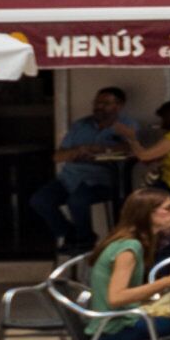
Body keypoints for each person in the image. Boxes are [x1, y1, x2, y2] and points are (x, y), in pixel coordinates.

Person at [28, 88, 139, 256]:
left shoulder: (127, 125)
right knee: (40, 200)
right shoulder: (80, 126)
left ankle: (85, 240)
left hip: (102, 180)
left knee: (77, 200)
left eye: (106, 103)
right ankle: (70, 234)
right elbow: (58, 156)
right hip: (70, 178)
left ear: (119, 106)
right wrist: (78, 151)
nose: (99, 107)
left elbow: (131, 148)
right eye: (97, 103)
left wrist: (100, 149)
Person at [80, 187, 170, 340]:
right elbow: (116, 298)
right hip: (112, 329)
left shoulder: (128, 241)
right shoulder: (130, 247)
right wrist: (167, 282)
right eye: (168, 208)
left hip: (113, 323)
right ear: (147, 214)